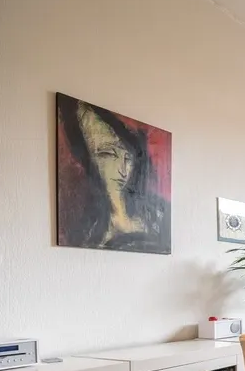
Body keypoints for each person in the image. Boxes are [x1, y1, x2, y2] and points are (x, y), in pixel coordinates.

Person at [57, 95, 170, 253]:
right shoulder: (86, 231)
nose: (122, 169)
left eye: (128, 157)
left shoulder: (159, 214)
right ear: (86, 160)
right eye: (108, 154)